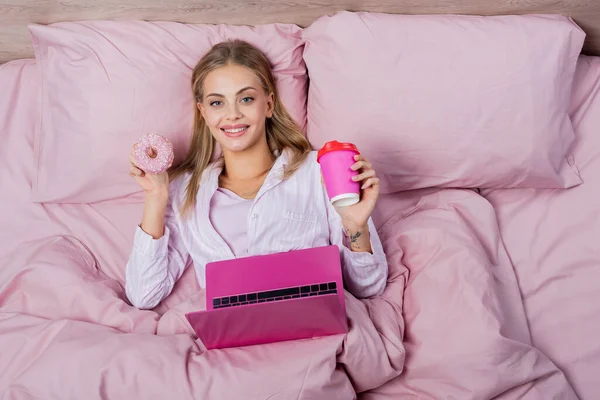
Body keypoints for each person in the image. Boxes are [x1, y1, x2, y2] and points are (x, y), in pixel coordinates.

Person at [126, 40, 388, 310]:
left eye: (246, 99)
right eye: (217, 103)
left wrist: (356, 227)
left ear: (269, 104)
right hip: (231, 342)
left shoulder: (318, 171)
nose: (233, 115)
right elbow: (144, 295)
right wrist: (156, 196)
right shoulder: (185, 190)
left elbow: (368, 287)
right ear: (203, 112)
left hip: (311, 332)